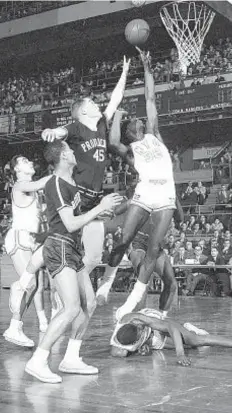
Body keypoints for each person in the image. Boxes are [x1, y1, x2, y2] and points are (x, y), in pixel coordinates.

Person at [25, 139, 122, 383]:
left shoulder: (72, 184)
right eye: (69, 149)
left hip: (72, 247)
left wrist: (99, 213)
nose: (73, 152)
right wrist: (99, 207)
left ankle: (71, 358)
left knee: (89, 303)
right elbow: (68, 224)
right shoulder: (56, 183)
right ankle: (38, 360)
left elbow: (76, 221)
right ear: (63, 157)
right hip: (58, 245)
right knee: (71, 307)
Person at [96, 48, 176, 321]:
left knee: (154, 249)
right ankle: (106, 281)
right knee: (123, 238)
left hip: (165, 194)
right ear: (132, 131)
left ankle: (130, 303)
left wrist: (148, 68)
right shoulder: (131, 152)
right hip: (145, 192)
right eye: (136, 122)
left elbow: (150, 97)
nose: (141, 119)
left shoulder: (154, 134)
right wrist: (117, 116)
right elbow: (113, 142)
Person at [41, 57, 130, 276]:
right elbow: (61, 132)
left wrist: (125, 73)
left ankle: (75, 282)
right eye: (91, 104)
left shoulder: (100, 126)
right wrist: (52, 132)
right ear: (82, 112)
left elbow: (115, 100)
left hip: (96, 197)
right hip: (77, 195)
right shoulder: (76, 128)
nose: (96, 104)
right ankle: (40, 278)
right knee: (63, 241)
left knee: (94, 257)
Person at [3, 155, 52, 347]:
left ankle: (15, 326)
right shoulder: (20, 185)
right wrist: (60, 171)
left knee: (34, 287)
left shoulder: (36, 193)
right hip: (19, 237)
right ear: (17, 169)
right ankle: (15, 324)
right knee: (30, 283)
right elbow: (42, 182)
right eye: (24, 161)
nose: (30, 161)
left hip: (32, 240)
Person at [110, 308, 232, 366]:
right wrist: (139, 349)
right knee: (186, 344)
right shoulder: (120, 344)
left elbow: (171, 328)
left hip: (160, 324)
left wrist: (180, 354)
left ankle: (190, 332)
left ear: (140, 330)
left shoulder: (141, 320)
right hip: (152, 339)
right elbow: (116, 351)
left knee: (195, 341)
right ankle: (187, 329)